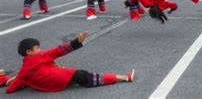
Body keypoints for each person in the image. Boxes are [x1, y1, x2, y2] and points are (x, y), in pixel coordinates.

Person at [5, 32, 134, 93]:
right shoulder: (39, 57)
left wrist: (23, 83)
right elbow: (58, 51)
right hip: (57, 77)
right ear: (29, 51)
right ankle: (125, 78)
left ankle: (123, 77)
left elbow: (10, 88)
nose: (40, 49)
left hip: (48, 84)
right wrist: (76, 42)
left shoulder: (24, 68)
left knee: (76, 78)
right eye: (37, 48)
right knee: (86, 76)